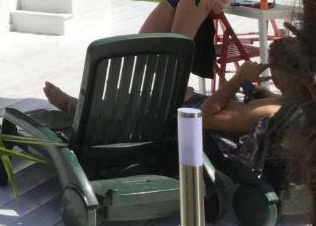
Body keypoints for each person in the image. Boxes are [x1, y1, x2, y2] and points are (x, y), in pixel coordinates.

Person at [42, 37, 311, 155]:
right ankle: (98, 105)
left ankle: (81, 108)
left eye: (275, 71)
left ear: (285, 73)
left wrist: (238, 78)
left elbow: (204, 120)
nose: (272, 76)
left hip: (200, 132)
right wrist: (259, 92)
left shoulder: (267, 111)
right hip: (219, 118)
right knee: (182, 91)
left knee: (154, 106)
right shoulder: (298, 101)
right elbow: (257, 110)